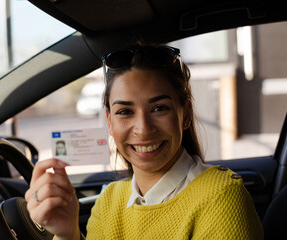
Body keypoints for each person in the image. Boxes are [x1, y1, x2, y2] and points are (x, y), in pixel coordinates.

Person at [25, 43, 263, 239]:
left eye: (159, 108)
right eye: (125, 112)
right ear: (109, 121)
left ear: (186, 114)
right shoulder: (109, 200)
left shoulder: (221, 197)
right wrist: (67, 234)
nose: (143, 129)